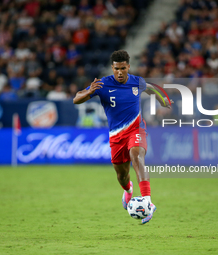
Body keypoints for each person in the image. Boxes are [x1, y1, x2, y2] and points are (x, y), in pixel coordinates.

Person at [73, 50, 173, 224]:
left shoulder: (137, 82)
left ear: (128, 67)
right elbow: (76, 99)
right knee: (122, 176)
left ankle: (147, 201)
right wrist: (89, 91)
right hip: (116, 136)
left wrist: (164, 100)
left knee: (137, 157)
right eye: (116, 68)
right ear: (112, 68)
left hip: (136, 130)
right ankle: (128, 190)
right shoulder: (103, 84)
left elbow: (152, 88)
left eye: (123, 68)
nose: (120, 72)